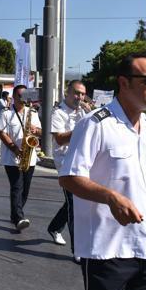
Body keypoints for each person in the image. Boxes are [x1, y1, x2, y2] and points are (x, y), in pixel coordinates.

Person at [39, 52, 146, 290]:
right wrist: (111, 197)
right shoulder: (95, 124)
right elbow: (69, 178)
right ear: (124, 83)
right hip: (108, 250)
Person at [47, 80, 91, 250]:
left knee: (73, 201)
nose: (79, 97)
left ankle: (54, 227)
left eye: (82, 94)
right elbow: (59, 139)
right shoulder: (58, 112)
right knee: (74, 204)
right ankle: (78, 249)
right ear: (68, 92)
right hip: (66, 163)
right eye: (76, 93)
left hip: (82, 161)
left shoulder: (83, 112)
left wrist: (90, 116)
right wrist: (82, 127)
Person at [0, 84, 42, 231]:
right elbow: (2, 133)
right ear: (14, 97)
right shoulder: (5, 114)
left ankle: (15, 213)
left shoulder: (32, 113)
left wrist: (36, 130)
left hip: (30, 156)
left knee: (25, 189)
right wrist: (15, 149)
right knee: (17, 186)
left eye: (24, 96)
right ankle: (18, 217)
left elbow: (41, 132)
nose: (22, 99)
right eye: (20, 96)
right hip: (12, 157)